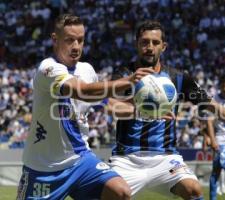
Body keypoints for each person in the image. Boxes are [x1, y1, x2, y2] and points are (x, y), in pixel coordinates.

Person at [107, 20, 225, 200]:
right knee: (116, 194)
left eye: (155, 42)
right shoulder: (124, 74)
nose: (150, 47)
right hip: (127, 158)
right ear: (137, 44)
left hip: (165, 158)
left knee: (193, 189)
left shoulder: (178, 78)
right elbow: (111, 106)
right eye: (144, 42)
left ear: (163, 47)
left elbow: (216, 108)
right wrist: (146, 110)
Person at [16, 14, 154, 200]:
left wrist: (146, 112)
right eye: (70, 40)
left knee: (121, 192)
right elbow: (81, 91)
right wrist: (128, 81)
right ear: (55, 40)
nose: (76, 46)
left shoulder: (87, 70)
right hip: (44, 168)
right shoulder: (47, 68)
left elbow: (107, 104)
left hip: (80, 161)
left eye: (80, 40)